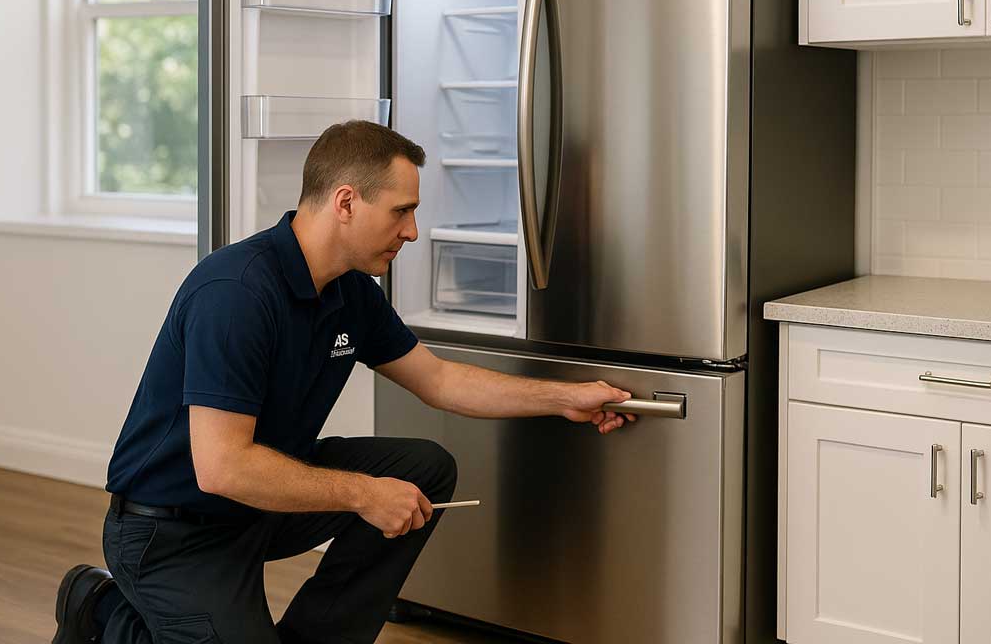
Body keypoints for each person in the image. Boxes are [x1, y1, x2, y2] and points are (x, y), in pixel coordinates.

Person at [52, 120, 636, 644]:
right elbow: (223, 467)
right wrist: (362, 493)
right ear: (347, 202)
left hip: (259, 508)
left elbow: (440, 381)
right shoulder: (235, 293)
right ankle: (101, 607)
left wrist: (565, 398)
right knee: (376, 489)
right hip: (172, 533)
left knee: (422, 471)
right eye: (401, 211)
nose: (412, 230)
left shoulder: (351, 290)